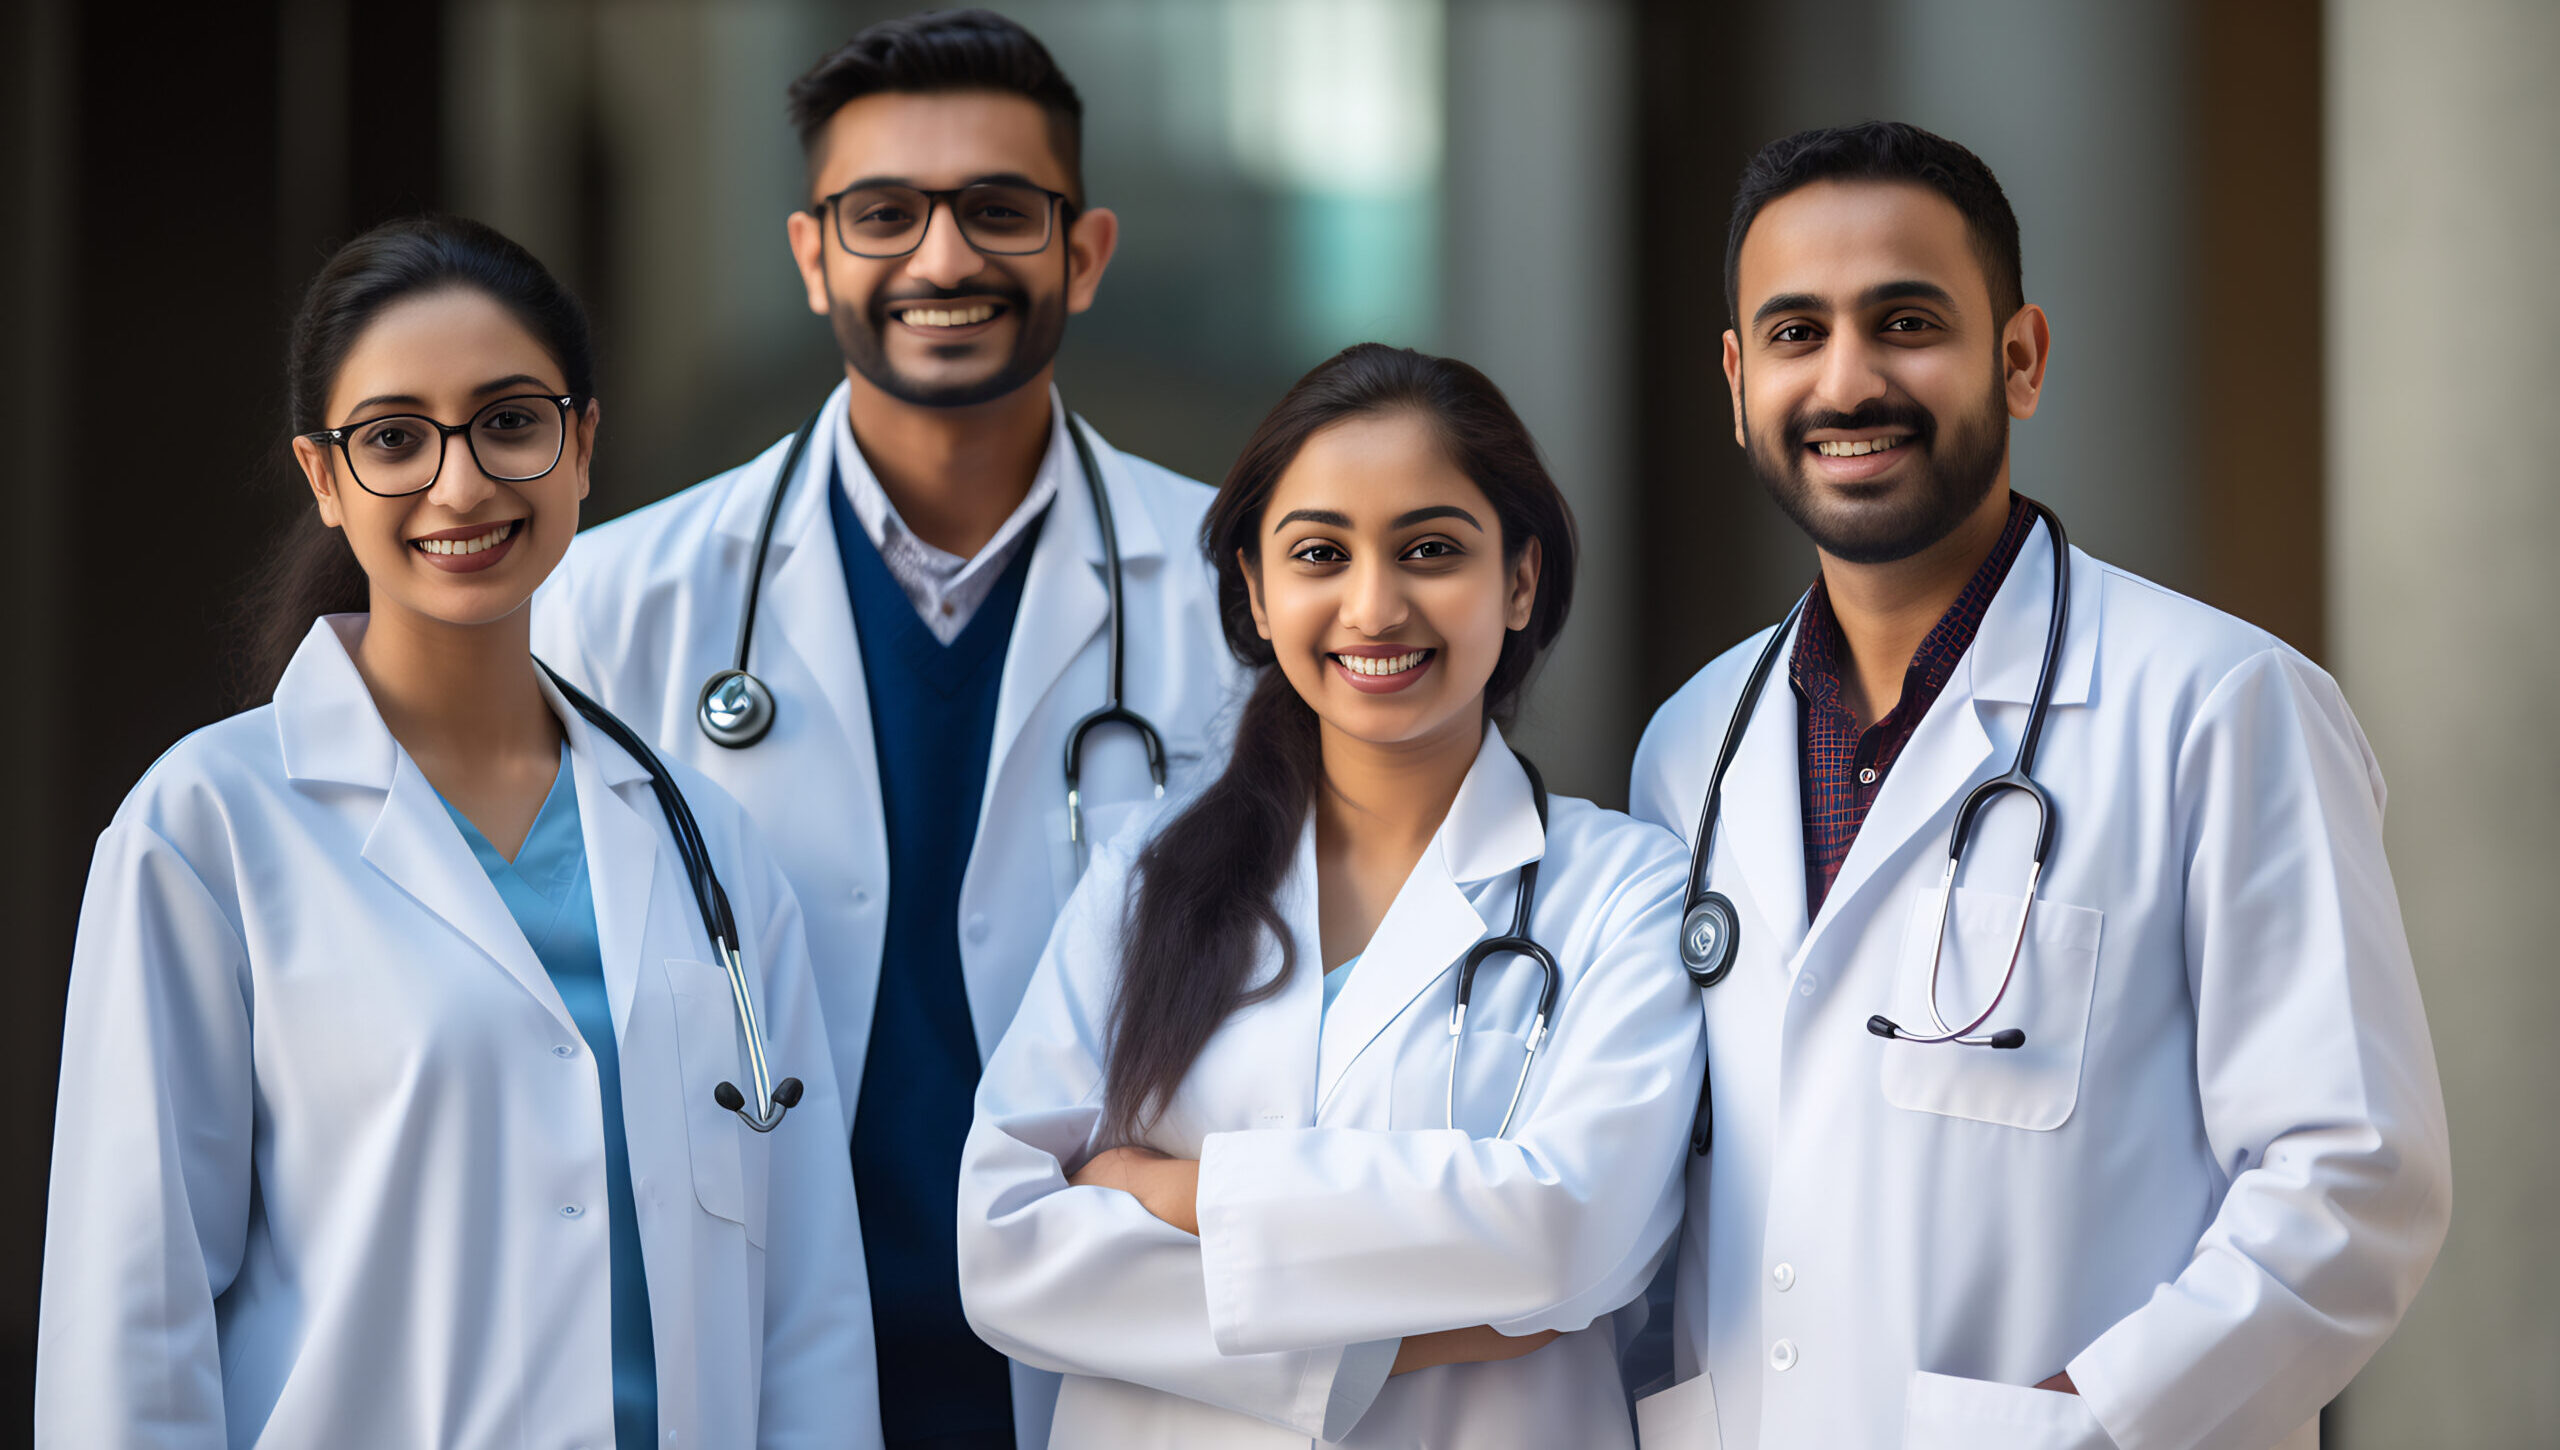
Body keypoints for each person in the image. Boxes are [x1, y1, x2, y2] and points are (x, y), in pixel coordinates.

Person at [1626, 122, 2451, 1450]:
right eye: (1794, 333)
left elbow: (2353, 1184)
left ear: (2019, 358)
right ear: (1735, 381)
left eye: (1905, 321)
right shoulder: (1690, 747)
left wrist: (2091, 1423)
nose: (1848, 380)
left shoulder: (2219, 706)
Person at [36, 215, 867, 1446]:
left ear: (582, 444)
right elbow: (131, 1320)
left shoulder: (711, 854)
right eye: (392, 440)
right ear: (323, 478)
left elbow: (805, 1321)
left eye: (511, 422)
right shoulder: (206, 829)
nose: (460, 483)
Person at [529, 11, 1240, 1447]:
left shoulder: (1239, 593)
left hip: (1123, 1356)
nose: (941, 259)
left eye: (998, 211)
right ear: (812, 257)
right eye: (883, 215)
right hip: (745, 1351)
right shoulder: (614, 604)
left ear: (1084, 253)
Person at [956, 343, 1706, 1448]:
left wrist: (1179, 1192)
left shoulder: (1624, 894)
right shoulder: (1143, 879)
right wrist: (1406, 1330)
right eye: (1319, 552)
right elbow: (1004, 1244)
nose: (1374, 604)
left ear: (1518, 580)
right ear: (1255, 591)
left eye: (1431, 549)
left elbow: (1568, 1232)